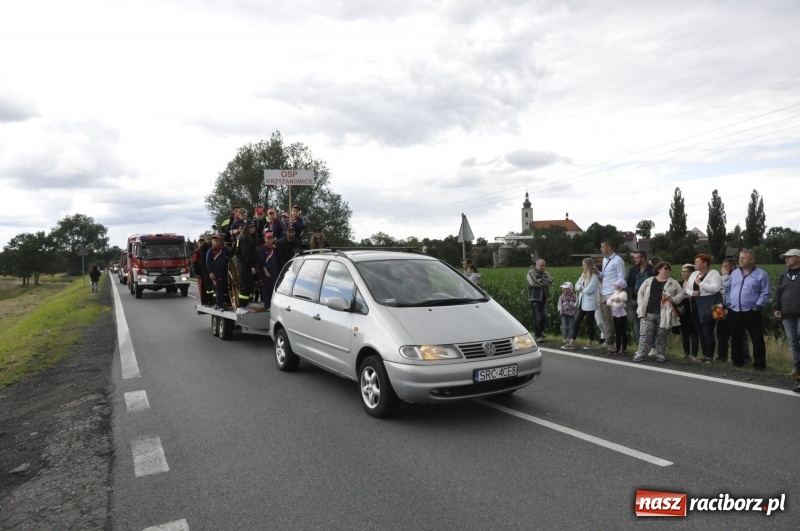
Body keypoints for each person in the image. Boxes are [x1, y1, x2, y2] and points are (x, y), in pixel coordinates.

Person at [633, 261, 685, 362]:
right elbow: (640, 292)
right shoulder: (649, 281)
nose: (667, 271)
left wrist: (673, 299)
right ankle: (641, 353)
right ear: (658, 269)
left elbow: (681, 293)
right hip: (648, 312)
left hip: (664, 313)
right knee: (644, 334)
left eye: (669, 269)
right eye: (665, 268)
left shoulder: (673, 282)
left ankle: (660, 354)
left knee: (661, 335)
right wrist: (640, 305)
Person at [727, 250, 771, 371]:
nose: (740, 260)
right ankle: (737, 362)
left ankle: (759, 364)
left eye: (744, 258)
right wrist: (729, 302)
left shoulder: (761, 274)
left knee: (756, 338)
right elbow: (728, 289)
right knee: (736, 337)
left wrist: (757, 306)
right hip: (735, 309)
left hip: (752, 311)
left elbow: (765, 292)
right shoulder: (735, 273)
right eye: (740, 258)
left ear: (752, 260)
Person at [685, 253, 722, 363]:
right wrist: (692, 292)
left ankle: (710, 356)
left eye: (697, 262)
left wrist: (700, 283)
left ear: (705, 263)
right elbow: (687, 288)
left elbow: (715, 288)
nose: (695, 264)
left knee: (708, 330)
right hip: (697, 304)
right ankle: (705, 354)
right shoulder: (694, 274)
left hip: (711, 304)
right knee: (700, 331)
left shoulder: (714, 273)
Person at [773, 248, 800, 383]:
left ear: (798, 258)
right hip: (787, 314)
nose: (786, 259)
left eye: (789, 257)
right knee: (793, 343)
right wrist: (777, 307)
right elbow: (778, 292)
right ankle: (797, 369)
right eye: (786, 257)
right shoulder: (784, 275)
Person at [717, 258, 751, 364]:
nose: (724, 269)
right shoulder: (719, 278)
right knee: (721, 333)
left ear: (732, 267)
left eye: (726, 267)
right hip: (719, 307)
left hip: (733, 307)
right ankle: (722, 357)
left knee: (739, 334)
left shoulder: (736, 277)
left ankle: (745, 358)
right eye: (723, 267)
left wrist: (726, 276)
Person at [563, 258, 599, 350]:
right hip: (582, 302)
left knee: (589, 323)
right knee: (576, 322)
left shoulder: (594, 276)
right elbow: (576, 285)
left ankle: (590, 342)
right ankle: (572, 342)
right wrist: (582, 287)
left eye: (584, 264)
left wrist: (581, 288)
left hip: (590, 303)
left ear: (588, 265)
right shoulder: (583, 275)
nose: (582, 266)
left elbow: (590, 290)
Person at [598, 239, 625, 351]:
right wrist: (598, 273)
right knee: (606, 319)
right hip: (604, 292)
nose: (601, 248)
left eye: (602, 246)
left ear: (608, 247)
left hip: (613, 293)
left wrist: (617, 293)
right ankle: (608, 340)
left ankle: (620, 344)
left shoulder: (618, 260)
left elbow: (621, 277)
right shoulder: (605, 259)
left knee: (617, 319)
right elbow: (604, 275)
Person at [626, 250, 654, 343]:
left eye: (636, 258)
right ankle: (641, 346)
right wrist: (629, 300)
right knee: (637, 324)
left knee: (650, 324)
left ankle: (652, 346)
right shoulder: (633, 269)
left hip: (649, 301)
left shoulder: (653, 270)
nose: (635, 260)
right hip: (635, 300)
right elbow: (629, 285)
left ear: (643, 258)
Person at [527, 259, 554, 341]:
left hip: (544, 298)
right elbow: (532, 283)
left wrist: (539, 281)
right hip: (534, 298)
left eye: (543, 266)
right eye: (540, 265)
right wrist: (543, 281)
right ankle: (538, 335)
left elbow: (550, 281)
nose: (542, 267)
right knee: (537, 317)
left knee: (545, 316)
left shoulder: (546, 273)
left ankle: (541, 331)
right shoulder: (531, 272)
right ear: (536, 265)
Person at [234, 220, 259, 309]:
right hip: (244, 265)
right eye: (250, 227)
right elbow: (246, 255)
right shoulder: (244, 239)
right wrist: (252, 266)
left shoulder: (249, 237)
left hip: (247, 264)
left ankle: (247, 304)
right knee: (245, 287)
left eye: (253, 227)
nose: (252, 229)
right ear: (246, 228)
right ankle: (241, 306)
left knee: (250, 286)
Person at [206, 233, 233, 310]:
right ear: (212, 242)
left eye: (218, 241)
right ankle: (219, 305)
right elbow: (207, 262)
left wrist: (236, 246)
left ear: (221, 241)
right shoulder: (210, 251)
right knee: (218, 289)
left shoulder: (224, 249)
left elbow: (230, 255)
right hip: (215, 273)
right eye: (214, 241)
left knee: (224, 288)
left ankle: (223, 302)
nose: (216, 242)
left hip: (224, 272)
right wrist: (210, 272)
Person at [678, 264, 699, 360]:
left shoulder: (695, 283)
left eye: (685, 271)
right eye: (682, 271)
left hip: (692, 310)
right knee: (684, 333)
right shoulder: (680, 283)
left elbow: (697, 295)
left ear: (691, 273)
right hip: (682, 311)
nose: (682, 273)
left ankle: (694, 354)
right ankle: (686, 353)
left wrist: (686, 296)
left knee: (693, 333)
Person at [257, 231, 280, 309]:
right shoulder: (262, 249)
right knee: (267, 290)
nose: (270, 240)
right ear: (265, 239)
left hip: (274, 272)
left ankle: (273, 306)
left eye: (271, 238)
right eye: (268, 238)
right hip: (265, 273)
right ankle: (267, 306)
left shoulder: (275, 249)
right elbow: (261, 262)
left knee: (273, 289)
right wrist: (266, 271)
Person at [607, 278, 628, 355]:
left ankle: (624, 348)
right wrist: (614, 300)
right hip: (615, 315)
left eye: (616, 285)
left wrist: (615, 300)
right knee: (617, 332)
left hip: (622, 315)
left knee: (622, 331)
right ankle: (617, 347)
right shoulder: (615, 293)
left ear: (621, 287)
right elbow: (608, 302)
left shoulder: (623, 293)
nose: (615, 286)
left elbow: (619, 305)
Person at [192, 233, 214, 305]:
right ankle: (206, 301)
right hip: (204, 269)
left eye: (211, 239)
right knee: (205, 286)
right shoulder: (200, 250)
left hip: (213, 268)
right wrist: (197, 273)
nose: (210, 240)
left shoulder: (214, 246)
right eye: (208, 239)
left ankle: (213, 300)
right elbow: (196, 262)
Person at [557, 281, 577, 347]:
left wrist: (574, 307)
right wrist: (560, 309)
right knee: (564, 326)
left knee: (571, 326)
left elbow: (577, 304)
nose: (564, 290)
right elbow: (559, 304)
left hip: (572, 314)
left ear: (570, 289)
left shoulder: (574, 296)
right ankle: (564, 338)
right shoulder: (562, 296)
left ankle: (571, 338)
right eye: (564, 289)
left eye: (566, 289)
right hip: (564, 313)